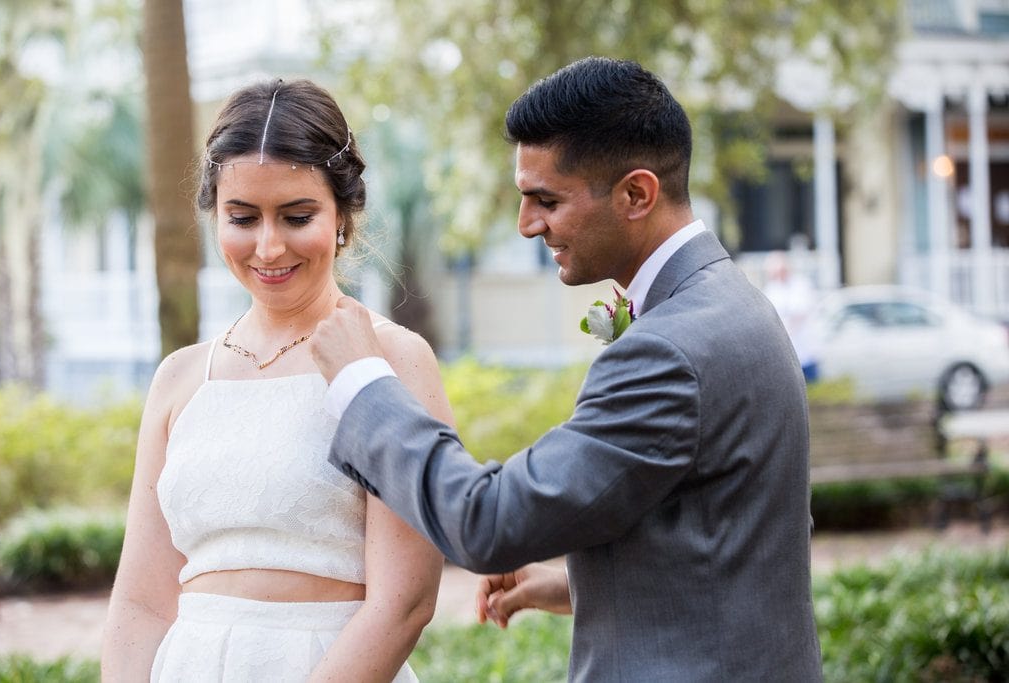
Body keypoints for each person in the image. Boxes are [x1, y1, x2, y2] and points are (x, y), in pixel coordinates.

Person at [312, 57, 822, 681]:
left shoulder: (669, 349)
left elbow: (487, 522)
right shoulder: (730, 303)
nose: (527, 225)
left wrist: (363, 385)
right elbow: (728, 546)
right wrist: (581, 585)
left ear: (637, 194)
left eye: (545, 200)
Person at [101, 79, 451, 682]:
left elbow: (405, 600)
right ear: (215, 215)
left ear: (343, 215)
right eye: (243, 217)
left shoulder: (392, 358)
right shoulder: (181, 378)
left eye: (296, 216)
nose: (267, 246)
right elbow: (140, 601)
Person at [762, 249, 820, 381]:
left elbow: (802, 312)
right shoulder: (771, 290)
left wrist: (786, 331)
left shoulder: (801, 284)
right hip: (785, 356)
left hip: (805, 352)